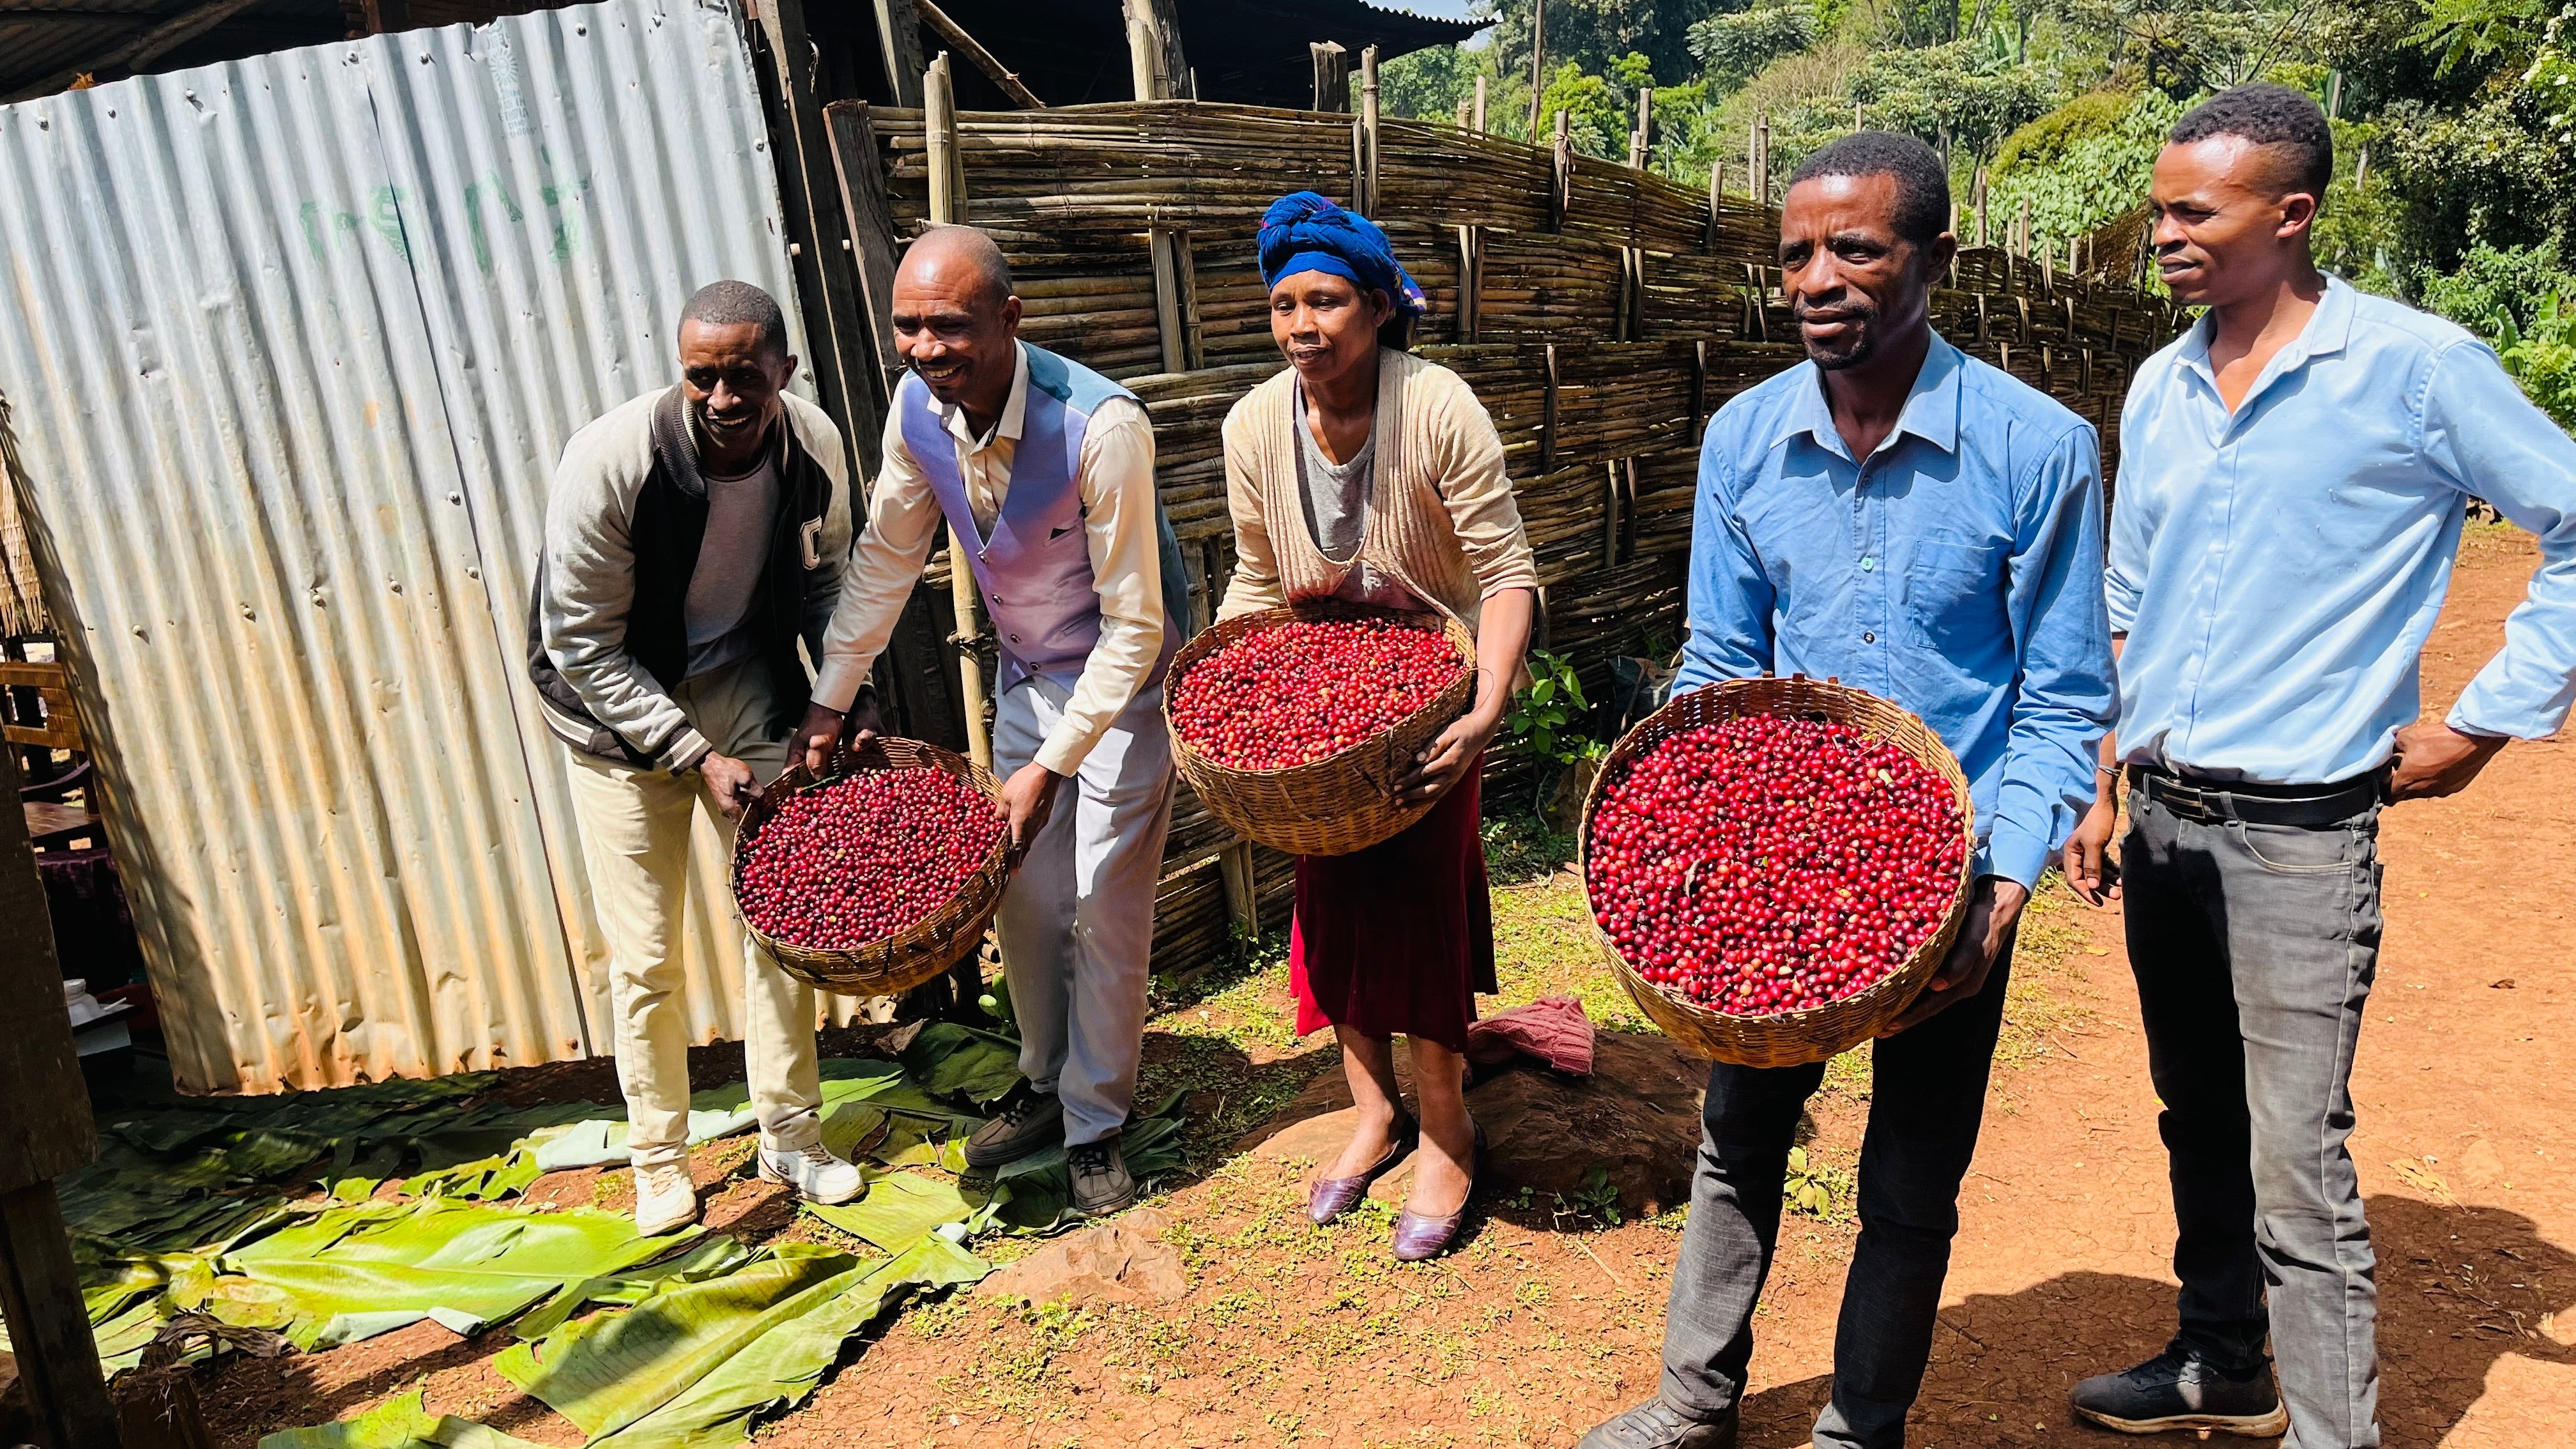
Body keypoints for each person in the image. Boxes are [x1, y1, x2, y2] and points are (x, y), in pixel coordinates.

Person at [1579, 133, 2116, 1449]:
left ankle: (1859, 1429)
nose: (1818, 279)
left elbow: (2060, 700)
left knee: (1911, 1183)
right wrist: (1686, 808)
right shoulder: (1745, 440)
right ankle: (1693, 1406)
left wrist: (1999, 889)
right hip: (1773, 844)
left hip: (1951, 866)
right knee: (1738, 1137)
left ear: (1937, 259)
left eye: (1857, 249)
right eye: (1796, 255)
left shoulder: (2036, 449)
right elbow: (1719, 660)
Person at [2059, 85, 2576, 1448]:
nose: (2162, 233)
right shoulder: (2163, 380)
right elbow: (2130, 589)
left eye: (2194, 211)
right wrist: (2105, 779)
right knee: (2199, 1117)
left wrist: (2485, 719)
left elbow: (2574, 520)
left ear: (2291, 215)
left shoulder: (2416, 370)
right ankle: (2225, 1360)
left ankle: (2336, 1433)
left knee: (2299, 1160)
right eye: (2160, 207)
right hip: (2166, 814)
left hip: (2302, 834)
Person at [800, 225, 1192, 1218]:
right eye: (909, 328)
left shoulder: (1103, 426)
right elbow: (888, 559)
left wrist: (1054, 767)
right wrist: (829, 699)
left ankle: (1097, 1121)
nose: (928, 350)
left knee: (1106, 902)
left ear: (1011, 320)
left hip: (1127, 685)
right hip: (1027, 679)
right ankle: (1041, 1080)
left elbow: (1136, 625)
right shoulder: (915, 410)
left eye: (952, 327)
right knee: (1019, 896)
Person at [1216, 192, 1540, 1263]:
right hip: (1320, 710)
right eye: (1284, 306)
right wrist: (1235, 692)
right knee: (1332, 910)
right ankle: (1374, 1111)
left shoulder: (1441, 407)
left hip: (1431, 695)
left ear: (1381, 309)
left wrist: (1486, 702)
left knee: (1419, 906)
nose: (1304, 326)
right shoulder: (1253, 426)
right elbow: (1260, 579)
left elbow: (1502, 572)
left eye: (1328, 302)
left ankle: (1447, 1126)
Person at [530, 280, 869, 1236]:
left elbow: (827, 581)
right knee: (644, 957)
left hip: (744, 686)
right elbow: (580, 643)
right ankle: (658, 1160)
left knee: (781, 917)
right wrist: (689, 753)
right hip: (617, 713)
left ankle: (791, 1134)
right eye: (701, 378)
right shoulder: (610, 461)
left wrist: (845, 696)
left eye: (745, 379)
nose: (723, 400)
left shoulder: (813, 444)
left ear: (783, 373)